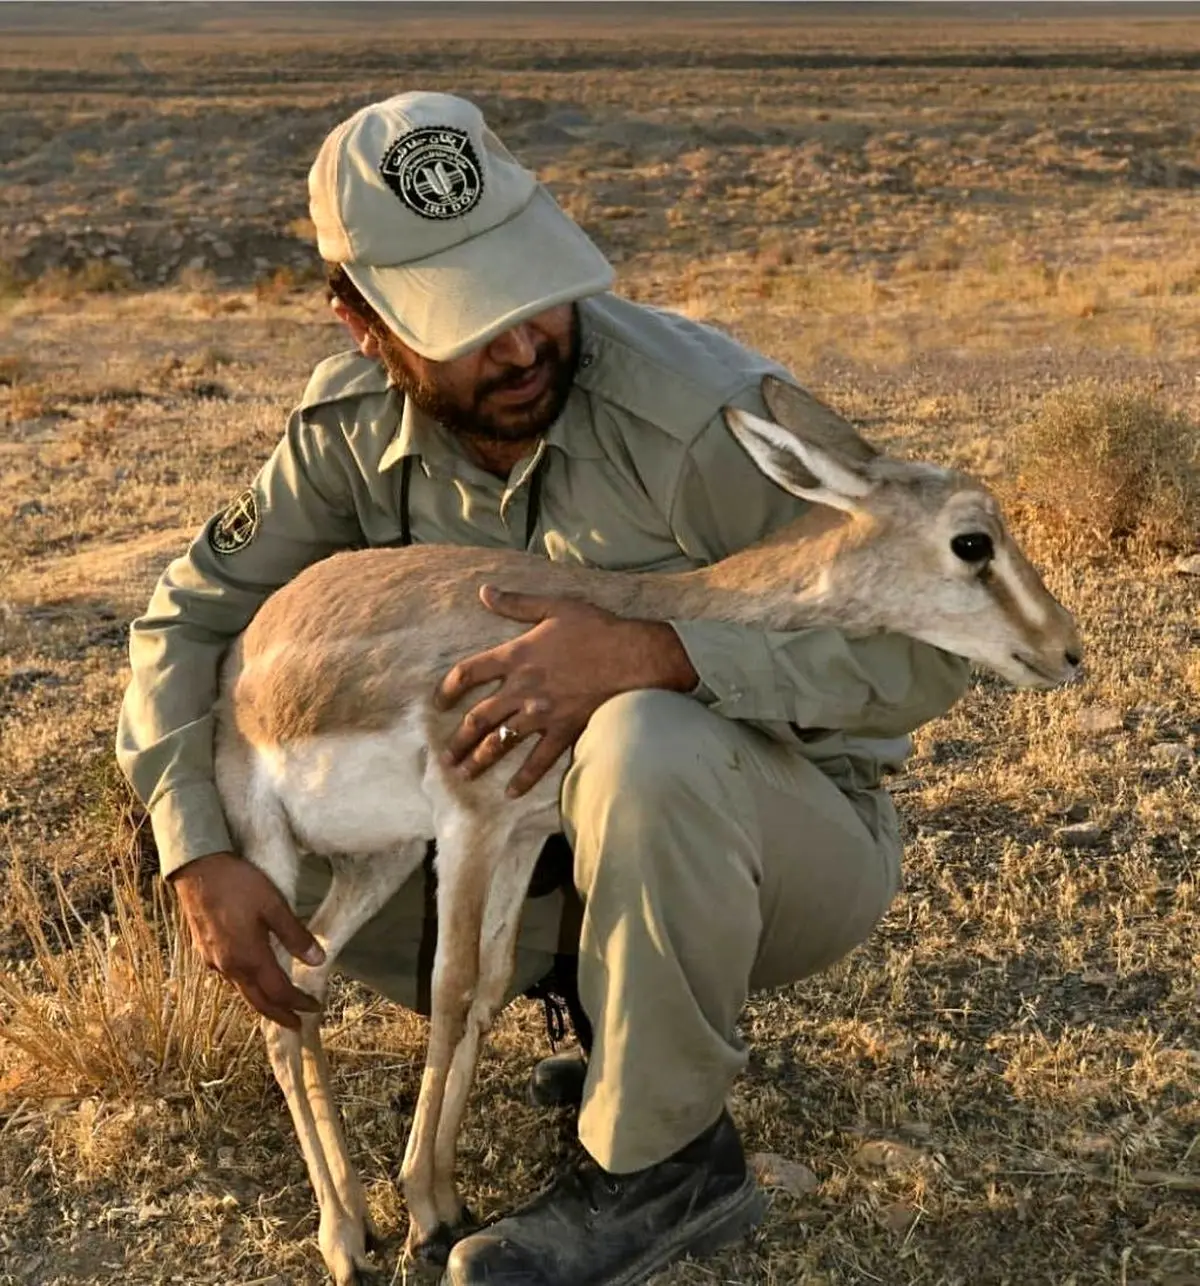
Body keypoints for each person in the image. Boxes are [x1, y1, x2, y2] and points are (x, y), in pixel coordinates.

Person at [117, 90, 969, 1286]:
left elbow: (923, 647)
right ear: (362, 323)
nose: (522, 346)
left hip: (785, 831)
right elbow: (185, 620)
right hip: (524, 838)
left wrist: (666, 654)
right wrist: (195, 850)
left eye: (533, 295)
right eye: (468, 322)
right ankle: (616, 1023)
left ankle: (666, 1165)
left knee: (642, 740)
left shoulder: (700, 421)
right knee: (253, 785)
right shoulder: (343, 432)